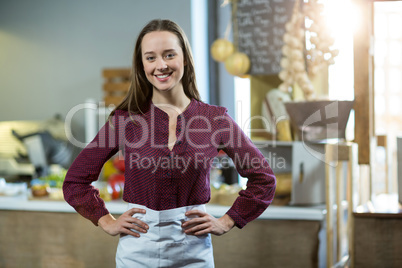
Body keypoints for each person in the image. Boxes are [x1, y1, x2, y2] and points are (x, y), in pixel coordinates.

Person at [63, 19, 276, 268]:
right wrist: (106, 220)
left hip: (193, 251)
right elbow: (75, 181)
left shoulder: (215, 119)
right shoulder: (125, 120)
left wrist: (227, 220)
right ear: (142, 65)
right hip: (137, 250)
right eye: (150, 58)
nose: (161, 65)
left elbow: (263, 178)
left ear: (184, 58)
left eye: (169, 55)